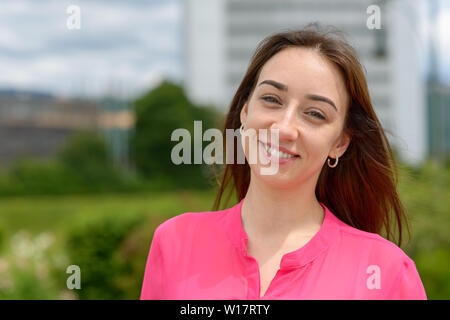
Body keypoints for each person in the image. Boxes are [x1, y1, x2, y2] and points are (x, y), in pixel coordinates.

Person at [140, 24, 427, 300]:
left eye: (315, 114)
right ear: (244, 110)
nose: (284, 127)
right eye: (271, 99)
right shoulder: (175, 242)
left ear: (340, 143)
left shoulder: (386, 271)